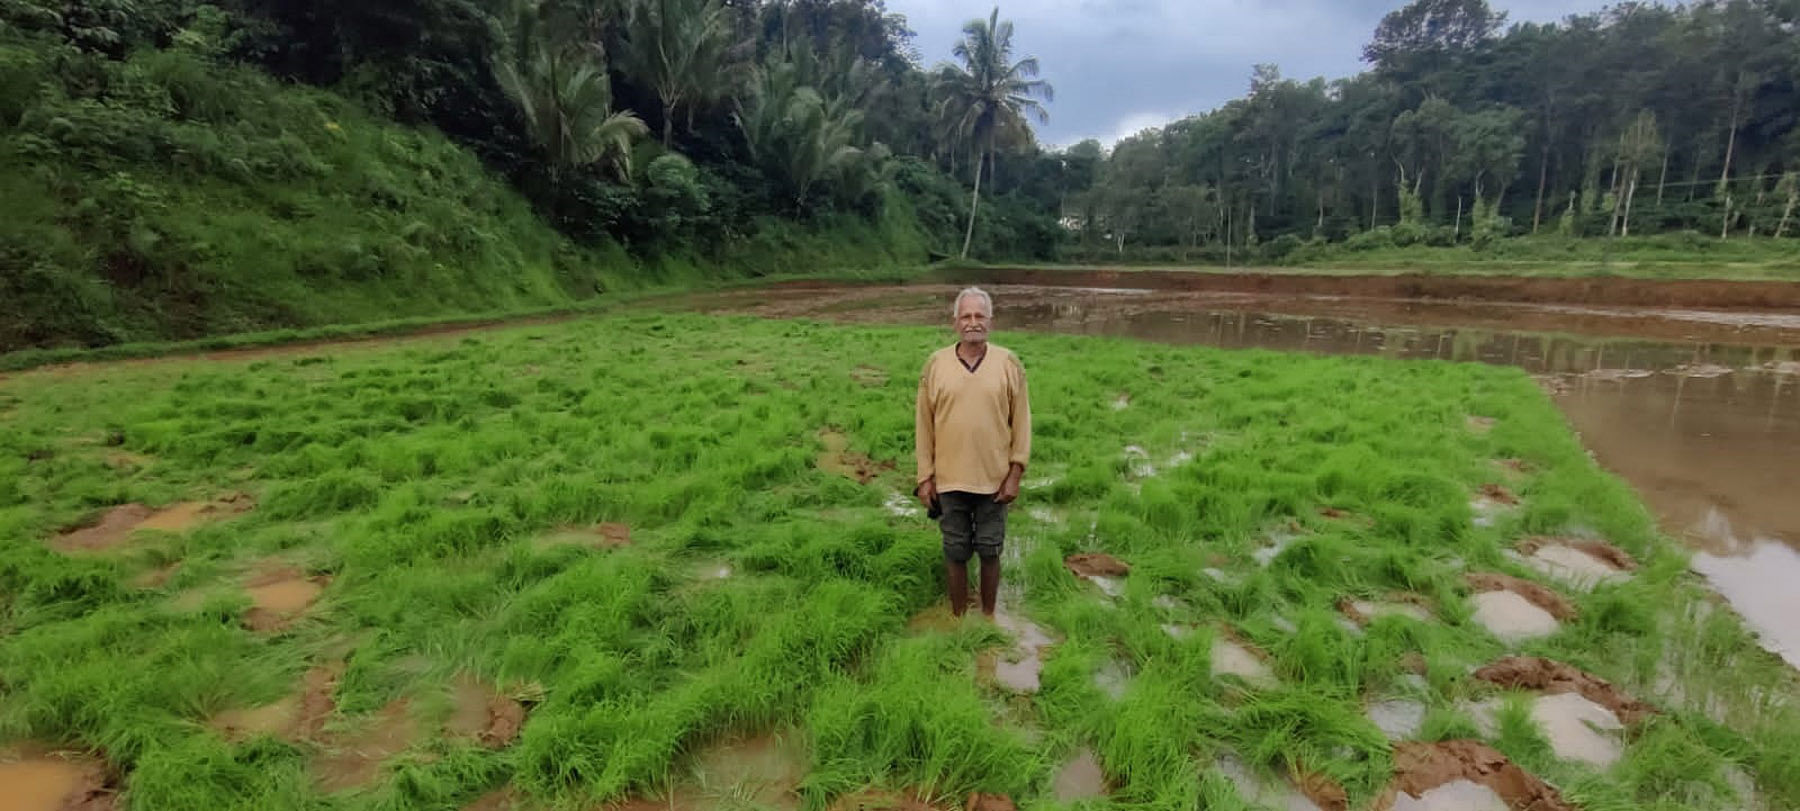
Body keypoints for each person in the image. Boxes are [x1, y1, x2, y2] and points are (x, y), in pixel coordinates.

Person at [914, 286, 1031, 618]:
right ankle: (958, 617)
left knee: (991, 550)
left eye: (979, 316)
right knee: (955, 551)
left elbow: (1022, 422)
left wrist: (1015, 473)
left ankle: (988, 615)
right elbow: (924, 425)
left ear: (990, 321)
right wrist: (925, 478)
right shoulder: (935, 364)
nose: (973, 322)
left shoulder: (1008, 363)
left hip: (994, 482)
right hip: (949, 480)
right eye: (966, 316)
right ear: (955, 322)